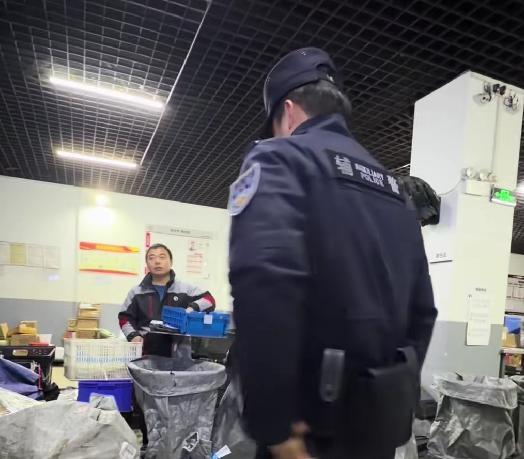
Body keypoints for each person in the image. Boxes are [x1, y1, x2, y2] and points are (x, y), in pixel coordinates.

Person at [228, 48, 437, 459]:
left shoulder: (279, 158)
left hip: (306, 429)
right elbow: (423, 311)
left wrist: (273, 424)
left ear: (288, 112)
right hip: (378, 427)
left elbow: (264, 284)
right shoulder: (395, 191)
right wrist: (393, 403)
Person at [118, 243, 216, 355]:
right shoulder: (136, 292)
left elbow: (209, 300)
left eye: (162, 257)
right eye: (151, 258)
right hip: (145, 353)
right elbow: (124, 318)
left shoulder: (186, 289)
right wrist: (133, 335)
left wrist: (193, 307)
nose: (157, 261)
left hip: (179, 354)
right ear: (147, 264)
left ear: (171, 262)